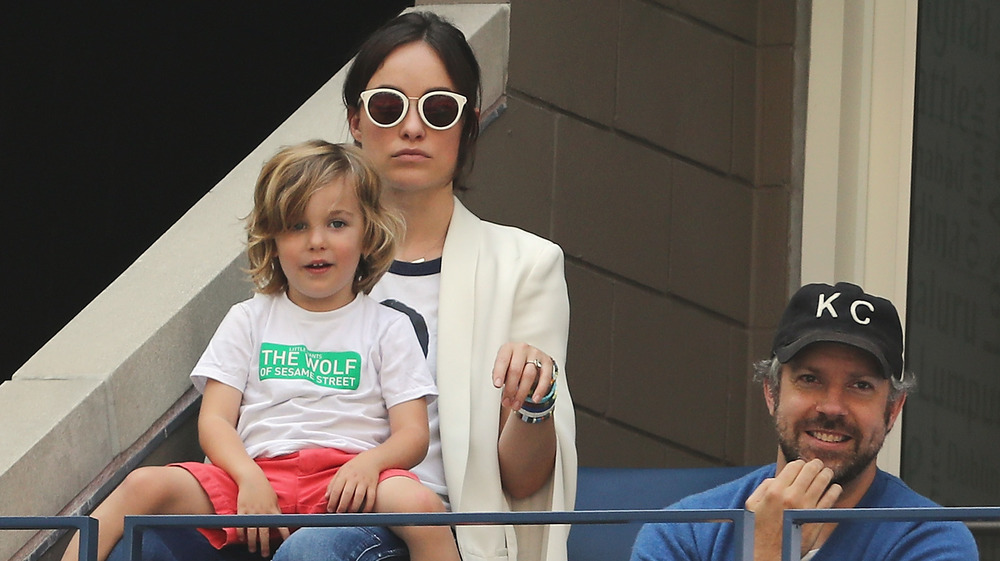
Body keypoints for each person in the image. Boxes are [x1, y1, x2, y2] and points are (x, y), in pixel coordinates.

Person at [105, 9, 576, 561]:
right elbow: (225, 415)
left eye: (439, 109)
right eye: (387, 106)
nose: (412, 128)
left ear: (468, 124)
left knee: (316, 551)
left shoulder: (525, 264)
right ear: (355, 120)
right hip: (273, 498)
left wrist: (533, 403)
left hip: (409, 520)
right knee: (146, 545)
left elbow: (523, 484)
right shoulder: (304, 270)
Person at [67, 140, 461, 561]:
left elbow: (413, 434)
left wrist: (370, 465)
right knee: (143, 485)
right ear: (272, 240)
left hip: (347, 482)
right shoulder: (248, 319)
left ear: (368, 233)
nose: (316, 241)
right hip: (252, 478)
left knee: (420, 506)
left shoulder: (389, 326)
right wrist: (248, 477)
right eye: (296, 226)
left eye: (337, 223)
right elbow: (215, 420)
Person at [630, 281, 979, 561]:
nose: (832, 407)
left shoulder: (930, 539)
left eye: (860, 385)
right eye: (810, 379)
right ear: (771, 392)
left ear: (893, 409)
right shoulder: (685, 532)